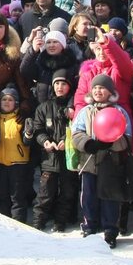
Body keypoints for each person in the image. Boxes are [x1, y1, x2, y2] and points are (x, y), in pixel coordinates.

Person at [71, 73, 133, 248]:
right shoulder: (85, 111)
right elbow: (76, 133)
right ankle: (89, 227)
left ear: (110, 91)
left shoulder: (119, 111)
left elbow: (127, 137)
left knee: (110, 198)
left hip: (111, 162)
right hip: (89, 162)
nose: (98, 91)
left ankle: (110, 230)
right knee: (88, 196)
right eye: (95, 88)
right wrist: (89, 144)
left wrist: (111, 142)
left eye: (102, 88)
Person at [29, 70, 79, 232]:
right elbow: (38, 129)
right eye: (57, 83)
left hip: (68, 158)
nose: (60, 87)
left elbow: (77, 129)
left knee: (67, 193)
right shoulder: (43, 107)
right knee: (45, 193)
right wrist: (45, 141)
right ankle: (38, 222)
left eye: (63, 84)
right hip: (49, 159)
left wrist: (67, 140)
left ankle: (60, 222)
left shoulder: (74, 109)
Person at [0, 85, 32, 223]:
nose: (7, 102)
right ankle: (4, 224)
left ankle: (19, 225)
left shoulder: (20, 119)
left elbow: (27, 141)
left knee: (17, 197)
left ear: (16, 103)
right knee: (2, 195)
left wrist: (29, 133)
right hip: (0, 162)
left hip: (18, 164)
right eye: (4, 99)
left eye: (10, 99)